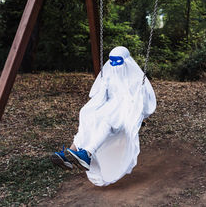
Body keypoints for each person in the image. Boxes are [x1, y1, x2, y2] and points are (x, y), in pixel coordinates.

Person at [51, 46, 156, 186]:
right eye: (111, 61)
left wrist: (139, 115)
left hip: (125, 111)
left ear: (125, 61)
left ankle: (87, 153)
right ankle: (69, 154)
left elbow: (143, 104)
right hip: (109, 106)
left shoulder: (137, 80)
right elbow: (100, 95)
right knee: (88, 116)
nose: (114, 65)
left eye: (117, 62)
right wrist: (102, 89)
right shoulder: (109, 75)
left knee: (107, 120)